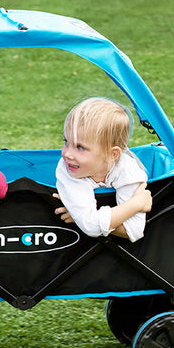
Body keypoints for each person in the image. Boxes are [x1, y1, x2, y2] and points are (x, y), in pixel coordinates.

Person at [54, 97, 152, 241]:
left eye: (80, 147)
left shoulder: (128, 170)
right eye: (66, 142)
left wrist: (85, 218)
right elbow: (90, 226)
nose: (67, 154)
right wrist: (136, 204)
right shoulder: (67, 170)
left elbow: (133, 231)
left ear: (113, 154)